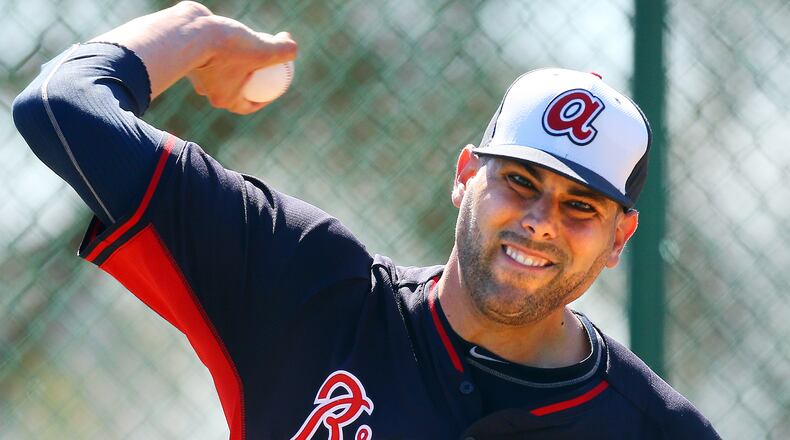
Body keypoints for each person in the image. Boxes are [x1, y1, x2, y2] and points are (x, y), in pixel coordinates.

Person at [13, 2, 721, 439]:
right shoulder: (309, 289)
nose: (540, 221)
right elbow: (61, 108)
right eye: (520, 181)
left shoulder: (654, 429)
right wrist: (193, 32)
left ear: (619, 239)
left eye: (580, 207)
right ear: (466, 175)